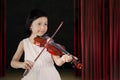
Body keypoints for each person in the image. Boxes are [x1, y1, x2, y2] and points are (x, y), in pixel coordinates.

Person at [10, 9, 73, 80]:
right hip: (32, 76)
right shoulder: (24, 43)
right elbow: (13, 62)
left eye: (45, 24)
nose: (43, 27)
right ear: (30, 25)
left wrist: (63, 59)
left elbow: (58, 62)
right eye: (39, 24)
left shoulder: (49, 42)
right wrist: (21, 64)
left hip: (50, 76)